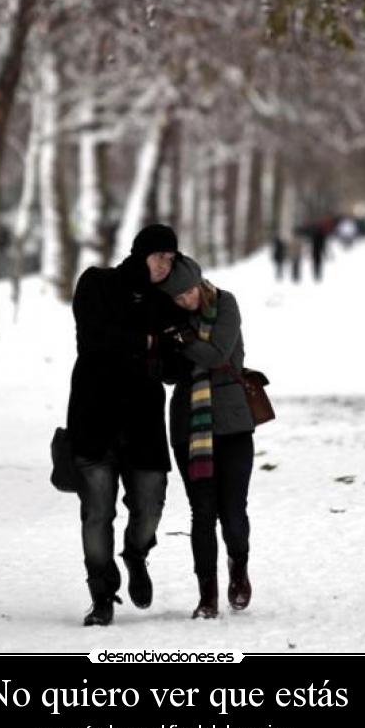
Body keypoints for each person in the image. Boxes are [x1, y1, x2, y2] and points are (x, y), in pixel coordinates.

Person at [66, 223, 180, 627]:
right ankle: (101, 593)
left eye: (171, 258)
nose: (165, 264)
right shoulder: (96, 283)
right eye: (159, 256)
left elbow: (172, 367)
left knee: (150, 506)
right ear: (139, 253)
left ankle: (136, 554)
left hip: (144, 421)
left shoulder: (165, 304)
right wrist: (148, 341)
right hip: (94, 416)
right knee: (96, 513)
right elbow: (94, 338)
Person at [159, 255, 255, 619]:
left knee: (232, 512)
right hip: (188, 426)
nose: (184, 301)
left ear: (199, 283)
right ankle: (207, 596)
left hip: (231, 424)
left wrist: (182, 339)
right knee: (202, 513)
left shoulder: (225, 304)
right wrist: (172, 344)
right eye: (177, 298)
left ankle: (239, 565)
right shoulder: (170, 318)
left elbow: (217, 355)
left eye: (187, 293)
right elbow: (169, 375)